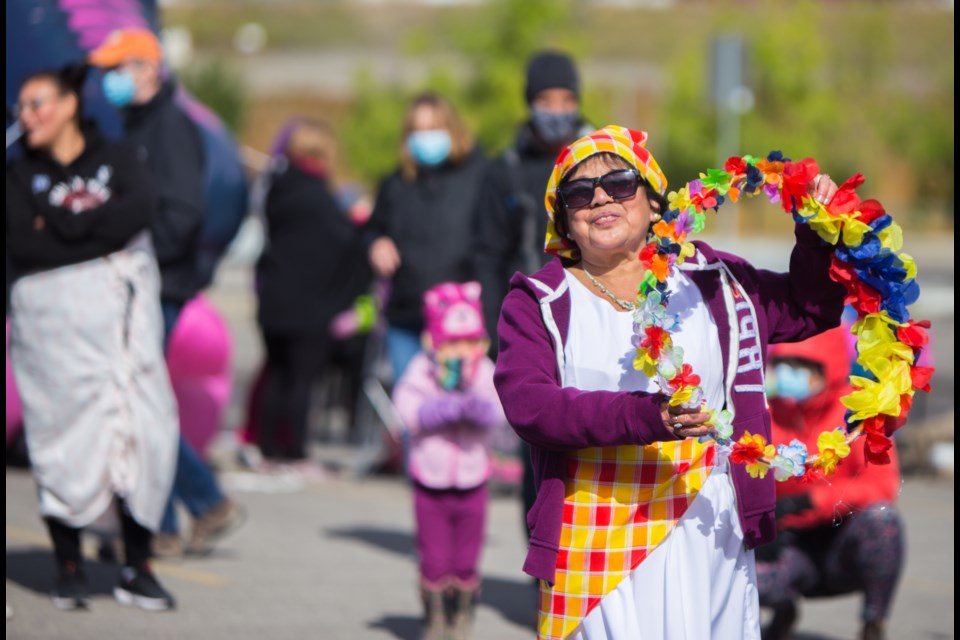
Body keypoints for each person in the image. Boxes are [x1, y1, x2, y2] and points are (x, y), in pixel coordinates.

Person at [493, 124, 843, 639]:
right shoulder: (541, 301)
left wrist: (815, 232)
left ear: (654, 202)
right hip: (598, 531)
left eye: (619, 182)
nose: (599, 198)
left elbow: (808, 307)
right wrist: (647, 416)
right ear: (565, 220)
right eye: (578, 193)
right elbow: (531, 406)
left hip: (710, 523)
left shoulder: (713, 279)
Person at [6, 63, 178, 610]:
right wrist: (95, 238)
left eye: (38, 103)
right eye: (22, 107)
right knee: (62, 441)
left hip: (123, 335)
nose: (27, 115)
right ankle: (69, 567)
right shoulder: (15, 175)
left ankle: (138, 565)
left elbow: (139, 213)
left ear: (69, 105)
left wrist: (58, 228)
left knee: (141, 433)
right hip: (54, 338)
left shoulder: (119, 157)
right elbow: (22, 248)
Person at [88, 27, 241, 557]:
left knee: (138, 406)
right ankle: (180, 511)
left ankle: (180, 511)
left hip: (159, 284)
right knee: (136, 404)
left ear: (149, 69)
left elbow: (183, 214)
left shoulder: (169, 127)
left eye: (118, 67)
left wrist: (133, 254)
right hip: (144, 281)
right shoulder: (138, 124)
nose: (108, 78)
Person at [472, 48, 593, 548]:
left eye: (566, 98)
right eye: (547, 98)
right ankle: (545, 569)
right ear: (530, 103)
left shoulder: (600, 159)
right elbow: (486, 253)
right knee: (539, 458)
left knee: (596, 444)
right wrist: (494, 332)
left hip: (593, 317)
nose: (557, 108)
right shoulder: (504, 170)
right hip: (533, 331)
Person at [756, 326, 904, 640]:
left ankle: (873, 624)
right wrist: (760, 524)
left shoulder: (859, 414)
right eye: (785, 364)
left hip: (842, 542)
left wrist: (812, 502)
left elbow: (882, 486)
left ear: (830, 366)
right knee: (747, 569)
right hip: (790, 544)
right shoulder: (762, 413)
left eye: (803, 366)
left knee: (884, 520)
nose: (789, 374)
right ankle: (784, 612)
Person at [253, 117, 372, 469]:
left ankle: (268, 447)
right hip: (308, 304)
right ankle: (295, 451)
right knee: (302, 380)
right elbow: (345, 243)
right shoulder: (316, 196)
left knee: (277, 374)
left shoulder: (278, 188)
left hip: (274, 299)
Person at [392, 281, 506, 640]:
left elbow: (502, 410)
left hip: (473, 478)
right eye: (453, 343)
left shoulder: (484, 371)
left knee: (466, 558)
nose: (461, 352)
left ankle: (461, 615)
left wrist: (480, 409)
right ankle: (434, 616)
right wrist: (432, 411)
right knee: (435, 556)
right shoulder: (423, 370)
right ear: (436, 343)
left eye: (469, 343)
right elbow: (405, 407)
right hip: (431, 478)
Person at [364, 91, 488, 382]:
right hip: (406, 318)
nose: (425, 138)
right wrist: (375, 243)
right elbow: (372, 228)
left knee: (459, 418)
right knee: (411, 413)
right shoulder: (395, 183)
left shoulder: (480, 177)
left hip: (461, 322)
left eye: (433, 129)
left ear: (451, 130)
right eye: (417, 131)